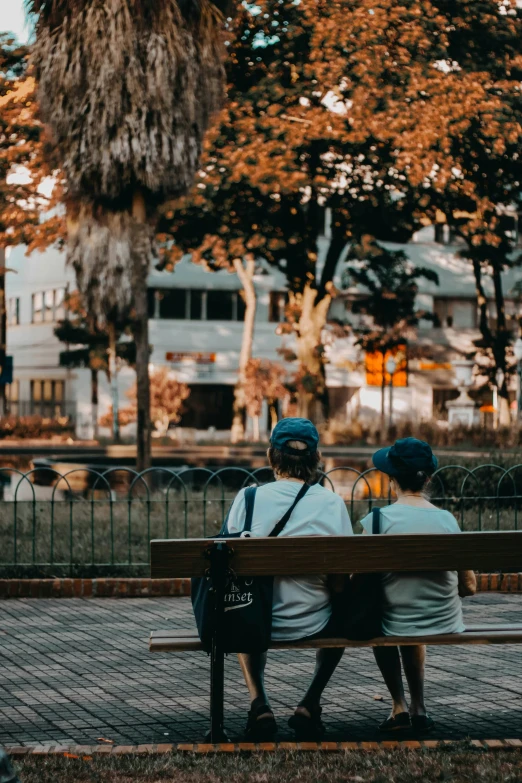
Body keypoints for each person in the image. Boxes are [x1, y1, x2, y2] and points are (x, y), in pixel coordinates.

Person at [226, 417, 352, 741]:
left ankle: (259, 703)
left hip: (258, 622)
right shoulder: (333, 504)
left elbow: (232, 569)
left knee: (244, 607)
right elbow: (340, 583)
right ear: (316, 459)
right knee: (343, 612)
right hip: (316, 621)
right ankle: (310, 701)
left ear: (271, 457)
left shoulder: (248, 499)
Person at [361, 437, 476, 733]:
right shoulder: (447, 521)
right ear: (429, 480)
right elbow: (468, 588)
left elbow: (357, 582)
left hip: (395, 621)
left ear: (391, 481)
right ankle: (419, 708)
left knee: (383, 619)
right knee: (406, 619)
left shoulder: (376, 521)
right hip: (444, 621)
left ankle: (399, 705)